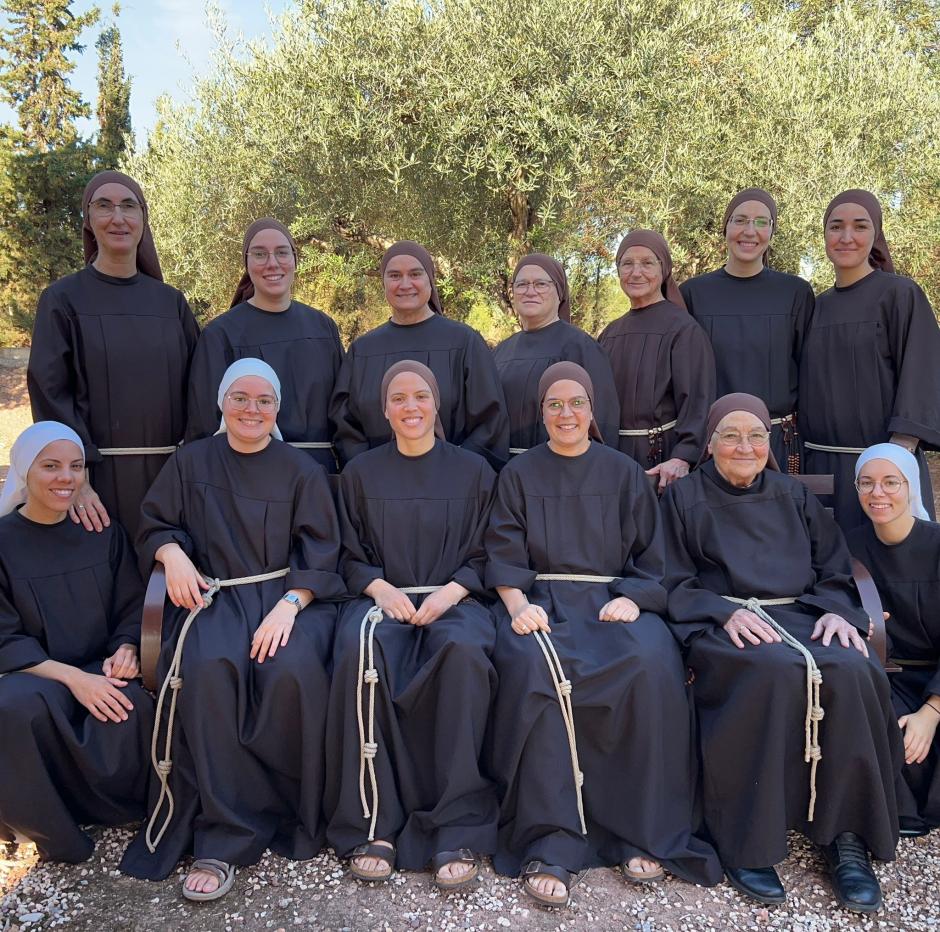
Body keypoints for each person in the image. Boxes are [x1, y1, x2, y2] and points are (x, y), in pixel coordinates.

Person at [484, 361, 721, 907]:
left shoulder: (621, 473)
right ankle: (551, 839)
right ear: (540, 412)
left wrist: (634, 600)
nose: (566, 414)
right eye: (554, 404)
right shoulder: (518, 475)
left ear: (593, 411)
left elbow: (651, 560)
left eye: (576, 404)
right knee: (535, 670)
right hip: (540, 603)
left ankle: (639, 829)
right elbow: (502, 552)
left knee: (652, 665)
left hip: (613, 602)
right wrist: (517, 604)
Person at [661, 393, 903, 913]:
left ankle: (846, 836)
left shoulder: (794, 494)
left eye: (755, 435)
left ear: (769, 445)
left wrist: (840, 610)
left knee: (853, 668)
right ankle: (746, 838)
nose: (744, 445)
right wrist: (722, 613)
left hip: (804, 615)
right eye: (731, 434)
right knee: (769, 670)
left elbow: (835, 568)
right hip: (728, 624)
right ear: (711, 443)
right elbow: (670, 578)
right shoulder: (683, 498)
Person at [119, 358, 345, 901]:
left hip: (286, 600)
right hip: (214, 597)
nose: (252, 409)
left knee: (290, 669)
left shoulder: (300, 470)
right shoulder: (191, 460)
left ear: (278, 409)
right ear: (222, 403)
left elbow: (321, 550)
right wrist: (171, 552)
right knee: (207, 668)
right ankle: (223, 834)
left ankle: (295, 813)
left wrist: (292, 603)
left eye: (264, 400)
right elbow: (155, 522)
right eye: (240, 398)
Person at [325, 360, 499, 890]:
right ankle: (375, 819)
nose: (410, 407)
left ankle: (456, 825)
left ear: (437, 403)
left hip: (456, 600)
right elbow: (348, 554)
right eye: (398, 398)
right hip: (385, 599)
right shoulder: (359, 473)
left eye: (420, 396)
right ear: (384, 409)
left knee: (465, 653)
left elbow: (492, 547)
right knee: (363, 650)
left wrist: (454, 589)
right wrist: (379, 588)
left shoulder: (475, 472)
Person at [0, 422, 153, 863]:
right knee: (11, 708)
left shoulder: (102, 532)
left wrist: (126, 648)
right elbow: (4, 635)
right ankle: (51, 832)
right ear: (25, 472)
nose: (65, 478)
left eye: (75, 466)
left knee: (132, 706)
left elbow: (130, 602)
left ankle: (117, 810)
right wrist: (72, 680)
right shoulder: (4, 542)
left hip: (98, 663)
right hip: (35, 672)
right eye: (50, 466)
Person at [27, 170, 200, 540]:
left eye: (128, 206)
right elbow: (50, 393)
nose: (118, 217)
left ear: (143, 219)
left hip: (170, 481)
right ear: (89, 220)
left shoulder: (171, 304)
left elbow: (199, 391)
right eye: (104, 206)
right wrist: (75, 478)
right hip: (94, 487)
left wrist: (195, 472)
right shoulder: (62, 301)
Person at [799, 189, 940, 530]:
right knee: (829, 573)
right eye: (836, 227)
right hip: (820, 468)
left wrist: (896, 455)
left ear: (875, 234)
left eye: (859, 226)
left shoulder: (900, 295)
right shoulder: (814, 306)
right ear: (824, 235)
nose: (846, 237)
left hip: (882, 470)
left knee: (892, 573)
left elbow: (923, 372)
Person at [330, 240, 509, 470]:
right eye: (394, 276)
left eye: (415, 274)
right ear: (383, 283)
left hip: (452, 485)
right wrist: (369, 471)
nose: (405, 284)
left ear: (430, 281)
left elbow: (490, 421)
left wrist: (457, 468)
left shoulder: (464, 342)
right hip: (379, 489)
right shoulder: (363, 350)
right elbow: (344, 425)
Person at [185, 218, 344, 473]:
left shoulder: (323, 328)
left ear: (295, 259)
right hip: (247, 477)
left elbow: (343, 413)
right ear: (246, 263)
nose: (273, 263)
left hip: (320, 475)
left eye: (282, 252)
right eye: (260, 254)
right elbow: (205, 425)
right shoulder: (221, 335)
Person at [680, 188, 814, 472]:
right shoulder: (693, 293)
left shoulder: (795, 292)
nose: (750, 231)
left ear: (772, 231)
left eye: (761, 222)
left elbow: (809, 372)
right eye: (739, 220)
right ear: (725, 227)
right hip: (714, 443)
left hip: (778, 441)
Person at [847, 444, 940, 836]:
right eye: (866, 483)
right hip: (889, 676)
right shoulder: (848, 545)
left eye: (890, 482)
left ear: (911, 486)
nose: (877, 493)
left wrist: (931, 712)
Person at [599, 230, 715, 491]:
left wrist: (683, 456)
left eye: (647, 263)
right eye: (627, 263)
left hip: (663, 466)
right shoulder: (609, 333)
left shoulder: (683, 329)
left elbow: (697, 400)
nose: (636, 272)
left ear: (664, 269)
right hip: (614, 461)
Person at [493, 253, 620, 452]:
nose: (530, 291)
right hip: (505, 471)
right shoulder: (501, 352)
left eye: (541, 284)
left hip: (561, 471)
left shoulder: (581, 347)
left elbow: (603, 419)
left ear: (559, 292)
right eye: (522, 284)